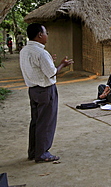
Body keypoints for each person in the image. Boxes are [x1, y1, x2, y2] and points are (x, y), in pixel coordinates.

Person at [20, 23, 74, 163]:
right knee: (46, 122)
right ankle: (42, 153)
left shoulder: (25, 50)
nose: (47, 36)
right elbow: (51, 73)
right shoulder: (41, 53)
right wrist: (63, 64)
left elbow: (36, 68)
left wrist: (49, 62)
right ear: (39, 35)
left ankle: (33, 151)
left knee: (36, 121)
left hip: (33, 90)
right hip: (45, 91)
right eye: (46, 33)